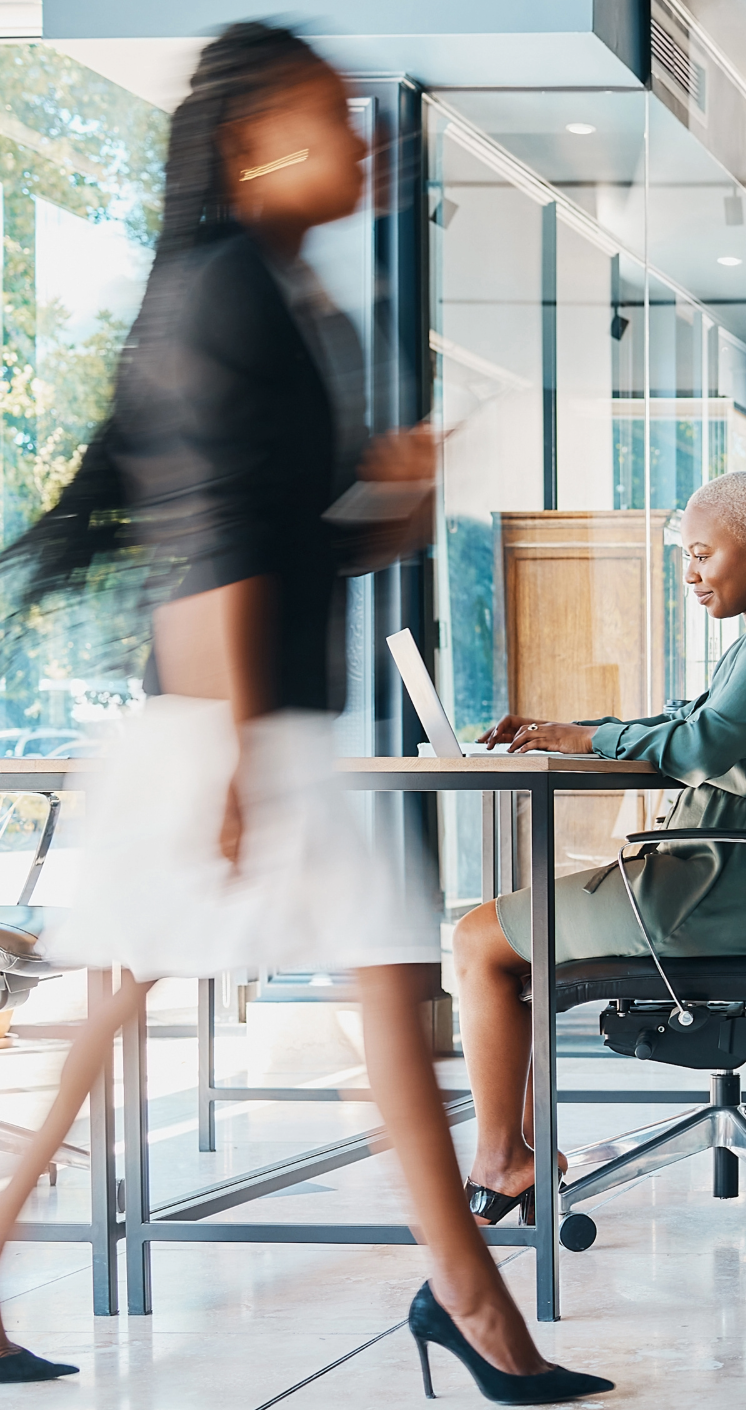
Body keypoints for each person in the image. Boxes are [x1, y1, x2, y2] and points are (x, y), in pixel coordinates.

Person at [0, 25, 611, 1401]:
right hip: (230, 726)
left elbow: (307, 541)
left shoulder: (283, 295)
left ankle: (472, 1304)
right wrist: (233, 763)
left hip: (247, 723)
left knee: (299, 986)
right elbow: (209, 536)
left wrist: (397, 492)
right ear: (254, 144)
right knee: (381, 980)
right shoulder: (222, 289)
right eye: (336, 116)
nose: (366, 138)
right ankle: (474, 1308)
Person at [452, 472, 746, 1223]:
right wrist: (575, 729)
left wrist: (589, 738)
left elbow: (700, 744)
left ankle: (503, 1160)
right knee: (512, 941)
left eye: (700, 555)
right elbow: (687, 718)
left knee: (476, 941)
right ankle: (521, 1150)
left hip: (722, 891)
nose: (690, 575)